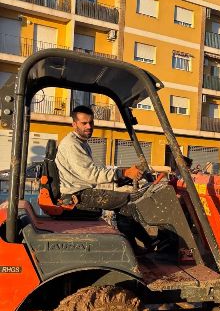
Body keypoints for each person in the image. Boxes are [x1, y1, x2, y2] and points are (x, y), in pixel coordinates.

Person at [55, 105, 154, 253]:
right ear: (74, 124)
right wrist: (123, 172)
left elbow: (91, 174)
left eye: (91, 122)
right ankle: (140, 246)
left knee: (124, 199)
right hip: (76, 195)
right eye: (84, 123)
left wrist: (121, 178)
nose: (89, 126)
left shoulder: (82, 143)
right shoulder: (72, 144)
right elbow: (91, 174)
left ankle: (145, 243)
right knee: (127, 202)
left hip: (82, 190)